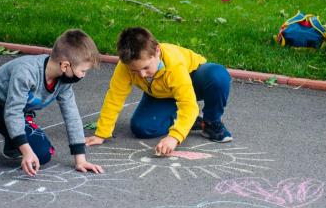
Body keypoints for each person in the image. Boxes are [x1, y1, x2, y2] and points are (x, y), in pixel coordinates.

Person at [0, 29, 104, 176]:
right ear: (65, 66)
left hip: (17, 114)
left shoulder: (64, 82)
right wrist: (26, 151)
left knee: (43, 154)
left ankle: (12, 142)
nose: (83, 75)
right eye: (83, 71)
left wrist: (80, 160)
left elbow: (72, 115)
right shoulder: (26, 71)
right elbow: (12, 111)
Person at [85, 27, 233, 155]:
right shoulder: (125, 67)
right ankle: (189, 120)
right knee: (141, 128)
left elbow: (188, 103)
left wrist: (174, 137)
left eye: (145, 68)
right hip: (160, 93)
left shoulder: (173, 64)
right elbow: (114, 97)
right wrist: (101, 133)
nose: (142, 75)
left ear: (157, 51)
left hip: (193, 81)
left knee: (218, 76)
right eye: (135, 70)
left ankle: (211, 122)